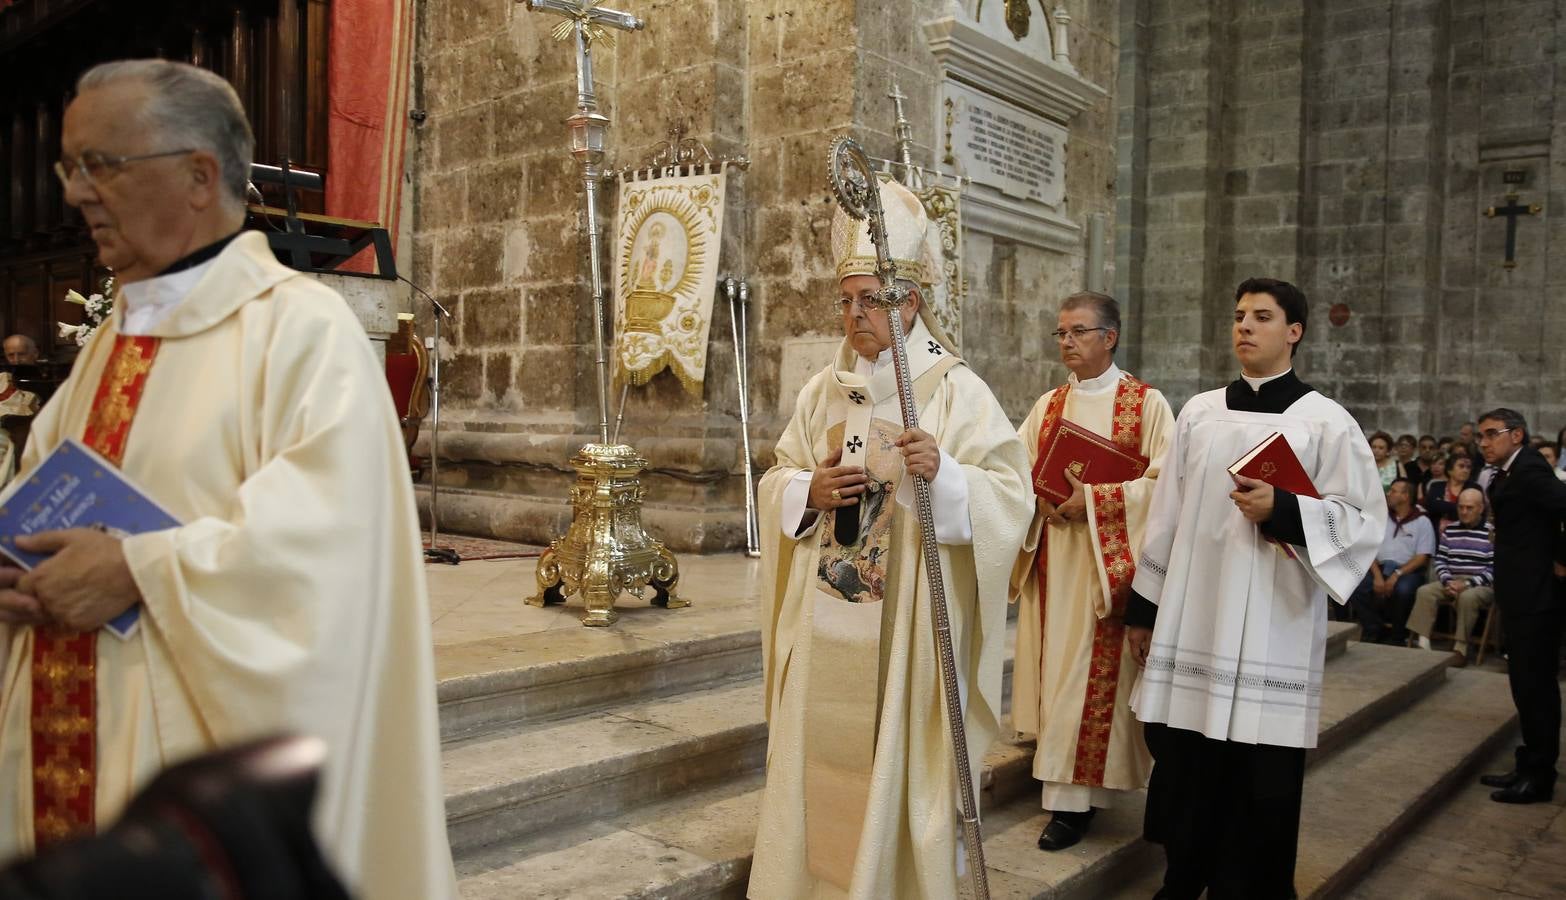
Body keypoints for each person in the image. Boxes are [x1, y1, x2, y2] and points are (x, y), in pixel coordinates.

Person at [0, 60, 456, 898]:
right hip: (67, 746)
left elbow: (330, 556)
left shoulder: (301, 333)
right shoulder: (106, 347)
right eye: (71, 168)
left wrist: (139, 569)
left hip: (191, 806)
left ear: (198, 176)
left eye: (99, 165)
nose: (76, 194)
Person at [750, 179, 1031, 897]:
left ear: (909, 301)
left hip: (905, 632)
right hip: (824, 622)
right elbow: (778, 474)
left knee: (895, 764)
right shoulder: (824, 391)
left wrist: (944, 476)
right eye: (845, 301)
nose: (853, 316)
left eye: (867, 300)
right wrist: (803, 494)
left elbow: (1008, 496)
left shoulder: (955, 390)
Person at [1125, 277, 1385, 899]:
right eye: (1239, 315)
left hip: (1274, 622)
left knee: (1257, 774)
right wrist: (1143, 609)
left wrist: (1287, 510)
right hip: (1195, 619)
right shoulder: (1200, 412)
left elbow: (1364, 522)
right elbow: (1165, 517)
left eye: (1262, 317)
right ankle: (1183, 877)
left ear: (1293, 331)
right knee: (1188, 760)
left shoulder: (1325, 422)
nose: (1244, 326)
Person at [1009, 291, 1174, 852]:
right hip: (1056, 561)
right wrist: (1042, 502)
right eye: (1060, 333)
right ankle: (1066, 797)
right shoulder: (1047, 406)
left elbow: (1165, 487)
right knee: (1061, 679)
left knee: (1088, 679)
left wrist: (1097, 502)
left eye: (1078, 331)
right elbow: (1014, 476)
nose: (1067, 342)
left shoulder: (1147, 405)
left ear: (1110, 337)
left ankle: (1075, 803)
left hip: (1110, 572)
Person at [1475, 408, 1566, 804]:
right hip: (1519, 591)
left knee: (1536, 688)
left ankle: (1539, 776)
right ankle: (1528, 763)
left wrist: (1561, 560)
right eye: (1480, 436)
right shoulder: (1512, 470)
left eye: (1492, 434)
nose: (1484, 443)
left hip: (1535, 596)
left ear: (1517, 435)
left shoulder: (1529, 469)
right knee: (1524, 686)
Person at [1405, 487, 1494, 667]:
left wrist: (1467, 584)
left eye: (1469, 508)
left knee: (1468, 597)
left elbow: (1495, 568)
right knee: (1425, 591)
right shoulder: (1450, 529)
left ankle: (1460, 648)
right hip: (1452, 579)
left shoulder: (1491, 532)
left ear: (1481, 508)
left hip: (1480, 584)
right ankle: (1423, 642)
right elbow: (1440, 560)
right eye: (1461, 507)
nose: (1463, 512)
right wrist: (1448, 581)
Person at [1346, 478, 1435, 644]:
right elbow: (1369, 547)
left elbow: (1422, 557)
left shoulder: (1422, 521)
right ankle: (1374, 628)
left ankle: (1398, 635)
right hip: (1379, 567)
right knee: (1355, 585)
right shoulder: (1382, 517)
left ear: (1406, 496)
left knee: (1402, 590)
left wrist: (1396, 575)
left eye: (1393, 491)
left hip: (1408, 571)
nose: (1389, 494)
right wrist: (1378, 575)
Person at [1425, 453, 1476, 532]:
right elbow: (1431, 506)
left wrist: (1443, 505)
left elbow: (1475, 513)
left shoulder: (1474, 488)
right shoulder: (1436, 486)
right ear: (1450, 470)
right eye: (1461, 466)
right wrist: (1460, 508)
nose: (1465, 470)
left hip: (1467, 534)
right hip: (1438, 536)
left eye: (1468, 467)